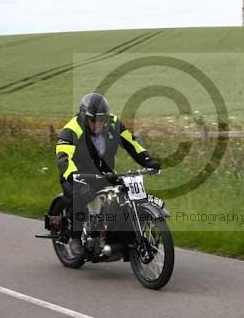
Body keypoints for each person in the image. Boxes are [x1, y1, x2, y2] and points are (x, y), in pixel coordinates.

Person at [47, 93, 160, 257]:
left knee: (122, 196)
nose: (98, 124)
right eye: (94, 120)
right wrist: (74, 175)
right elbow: (63, 157)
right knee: (80, 195)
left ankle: (122, 237)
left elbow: (132, 144)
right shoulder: (71, 129)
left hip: (104, 174)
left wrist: (148, 161)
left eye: (102, 120)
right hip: (75, 174)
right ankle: (75, 237)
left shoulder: (114, 123)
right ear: (84, 117)